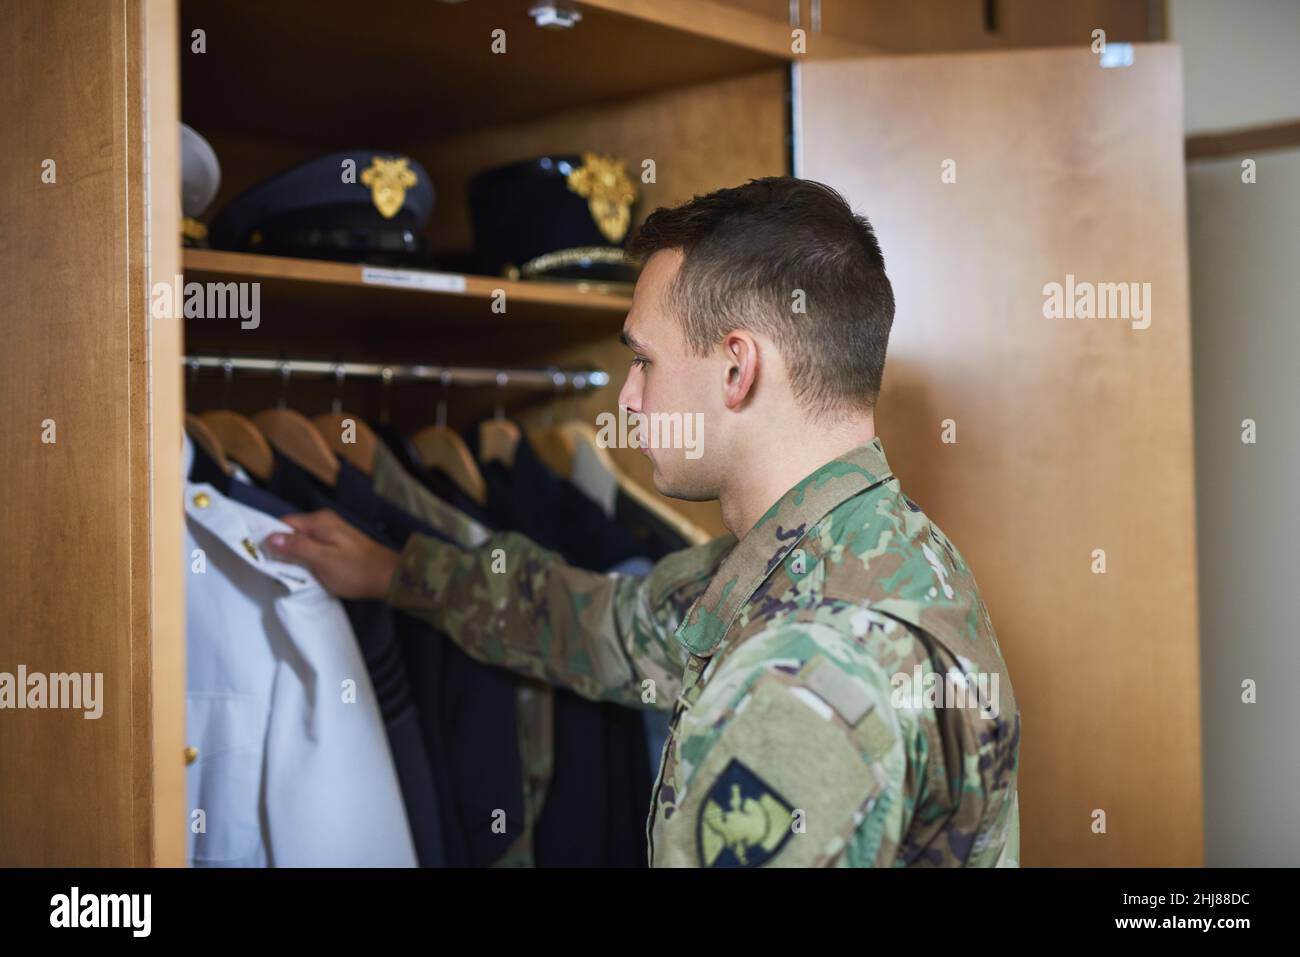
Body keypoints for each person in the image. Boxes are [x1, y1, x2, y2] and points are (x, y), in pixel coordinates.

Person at [264, 177, 1021, 867]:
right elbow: (603, 626)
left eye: (644, 361)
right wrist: (399, 571)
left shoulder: (804, 674)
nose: (627, 398)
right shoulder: (875, 547)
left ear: (736, 368)